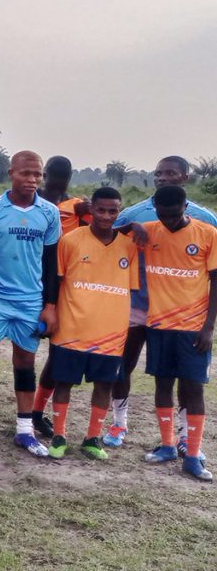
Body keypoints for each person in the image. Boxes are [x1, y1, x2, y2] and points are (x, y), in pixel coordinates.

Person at [104, 156, 217, 451]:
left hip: (180, 312)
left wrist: (207, 324)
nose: (163, 178)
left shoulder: (207, 220)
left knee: (181, 377)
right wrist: (129, 226)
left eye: (171, 173)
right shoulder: (135, 213)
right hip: (138, 304)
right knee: (122, 366)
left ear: (185, 178)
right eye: (158, 173)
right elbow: (107, 235)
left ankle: (182, 437)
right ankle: (118, 423)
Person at [0, 151, 60, 457]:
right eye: (25, 173)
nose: (32, 180)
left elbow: (50, 261)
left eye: (37, 174)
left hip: (30, 302)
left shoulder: (48, 212)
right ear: (11, 173)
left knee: (25, 365)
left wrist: (50, 305)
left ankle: (25, 431)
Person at [46, 186, 137, 461]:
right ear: (91, 210)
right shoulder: (71, 240)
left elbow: (129, 287)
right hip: (71, 328)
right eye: (101, 209)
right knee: (63, 382)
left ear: (119, 212)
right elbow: (55, 280)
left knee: (104, 386)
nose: (106, 216)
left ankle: (92, 438)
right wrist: (50, 311)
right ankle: (59, 436)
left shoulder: (129, 245)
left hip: (111, 331)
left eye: (113, 211)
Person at [139, 185, 217, 481]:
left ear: (186, 207)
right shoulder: (149, 231)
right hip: (158, 324)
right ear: (155, 209)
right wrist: (131, 224)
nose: (169, 221)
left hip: (193, 328)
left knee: (194, 389)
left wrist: (209, 326)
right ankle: (168, 445)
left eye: (174, 215)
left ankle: (193, 454)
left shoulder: (207, 234)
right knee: (162, 385)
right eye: (163, 215)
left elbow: (215, 281)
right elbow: (113, 230)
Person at [30, 155, 89, 438]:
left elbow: (102, 231)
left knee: (56, 353)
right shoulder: (31, 200)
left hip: (63, 285)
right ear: (45, 174)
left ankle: (36, 412)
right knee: (23, 350)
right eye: (55, 175)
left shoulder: (77, 206)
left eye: (65, 176)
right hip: (28, 280)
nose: (58, 181)